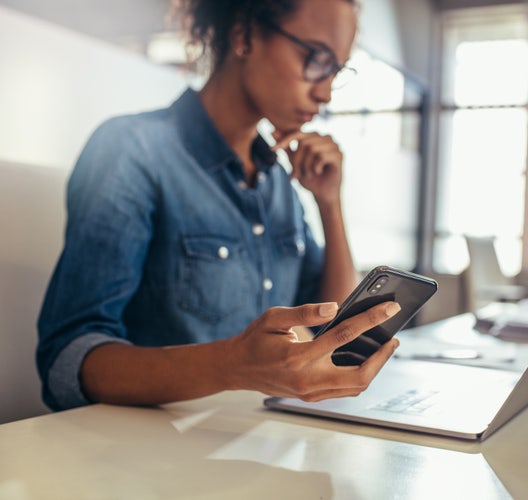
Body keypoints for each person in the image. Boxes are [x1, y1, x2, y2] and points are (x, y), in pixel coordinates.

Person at [36, 0, 401, 412]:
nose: (325, 91)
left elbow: (333, 327)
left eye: (336, 69)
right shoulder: (133, 150)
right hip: (148, 456)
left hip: (256, 442)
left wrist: (329, 203)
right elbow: (66, 361)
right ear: (244, 34)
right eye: (315, 58)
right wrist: (233, 365)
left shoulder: (276, 180)